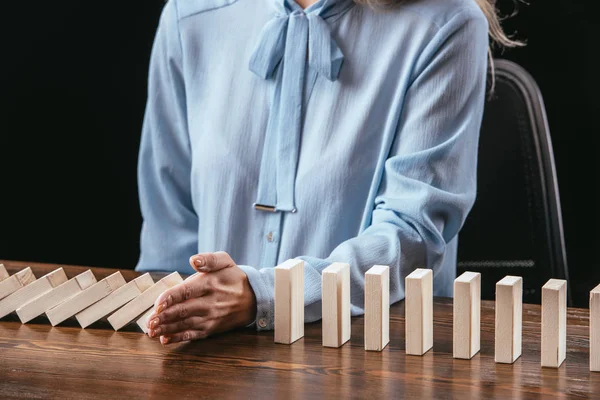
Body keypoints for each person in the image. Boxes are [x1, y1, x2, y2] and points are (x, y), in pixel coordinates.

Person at [135, 0, 521, 344]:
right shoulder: (189, 15)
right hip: (206, 361)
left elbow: (411, 235)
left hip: (375, 355)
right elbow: (168, 231)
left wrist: (267, 294)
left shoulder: (446, 22)